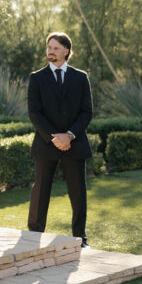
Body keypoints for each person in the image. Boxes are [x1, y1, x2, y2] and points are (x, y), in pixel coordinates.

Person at [27, 31, 93, 247]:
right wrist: (54, 138)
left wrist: (70, 136)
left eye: (55, 48)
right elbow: (34, 113)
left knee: (78, 193)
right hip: (47, 144)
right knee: (40, 191)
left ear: (66, 51)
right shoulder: (36, 78)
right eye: (49, 48)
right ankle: (34, 236)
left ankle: (79, 238)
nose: (50, 52)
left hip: (75, 143)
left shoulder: (80, 77)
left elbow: (86, 112)